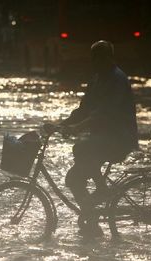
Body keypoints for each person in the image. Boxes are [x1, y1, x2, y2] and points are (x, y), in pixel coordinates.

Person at [44, 40, 138, 237]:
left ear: (109, 59)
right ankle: (93, 220)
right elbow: (84, 108)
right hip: (102, 138)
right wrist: (62, 124)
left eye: (100, 60)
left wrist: (78, 127)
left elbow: (105, 112)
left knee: (80, 149)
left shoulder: (117, 79)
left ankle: (100, 195)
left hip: (119, 138)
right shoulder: (97, 79)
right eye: (94, 60)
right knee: (74, 179)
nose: (96, 64)